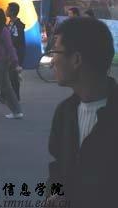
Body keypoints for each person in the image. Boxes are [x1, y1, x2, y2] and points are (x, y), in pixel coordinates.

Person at [46, 17, 116, 208]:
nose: (52, 62)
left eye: (55, 52)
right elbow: (58, 167)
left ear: (76, 59)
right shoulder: (65, 112)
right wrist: (56, 194)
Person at [1, 2, 25, 102]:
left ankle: (15, 98)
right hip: (10, 53)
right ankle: (4, 96)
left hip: (16, 54)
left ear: (12, 12)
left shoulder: (18, 25)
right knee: (6, 75)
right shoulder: (9, 23)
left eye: (7, 9)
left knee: (13, 76)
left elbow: (17, 40)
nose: (6, 11)